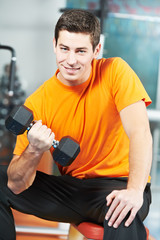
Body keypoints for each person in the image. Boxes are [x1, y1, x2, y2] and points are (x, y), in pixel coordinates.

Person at [0, 9, 152, 240]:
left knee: (122, 211)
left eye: (81, 51)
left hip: (118, 186)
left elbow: (140, 132)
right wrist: (34, 149)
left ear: (96, 50)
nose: (71, 60)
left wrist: (134, 191)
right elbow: (15, 185)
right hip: (71, 190)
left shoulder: (115, 72)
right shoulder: (38, 102)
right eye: (64, 49)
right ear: (54, 45)